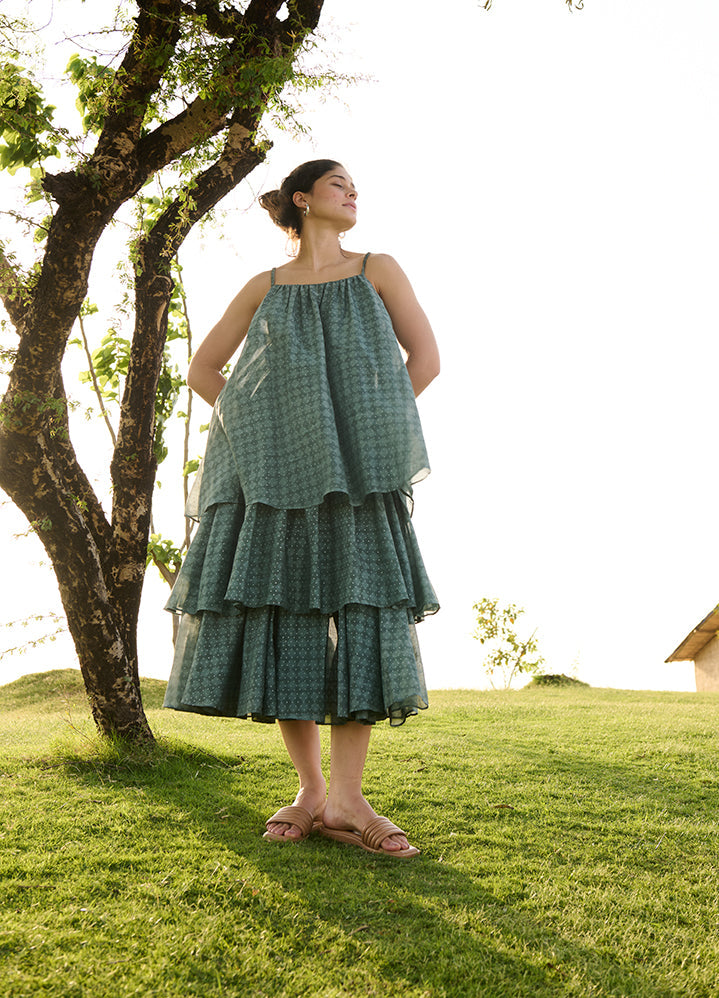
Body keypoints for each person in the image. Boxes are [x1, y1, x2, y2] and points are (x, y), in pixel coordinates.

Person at [163, 159, 440, 858]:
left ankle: (349, 798)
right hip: (274, 484)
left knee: (365, 617)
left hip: (357, 481)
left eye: (355, 186)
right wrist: (256, 437)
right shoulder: (264, 286)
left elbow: (425, 359)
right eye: (339, 183)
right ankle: (312, 792)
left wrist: (370, 440)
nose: (353, 193)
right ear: (302, 199)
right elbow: (204, 368)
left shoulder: (377, 269)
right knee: (290, 620)